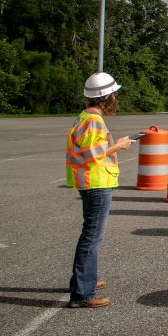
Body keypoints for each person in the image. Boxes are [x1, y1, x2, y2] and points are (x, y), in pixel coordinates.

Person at [65, 72, 134, 308]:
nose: (116, 98)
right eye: (114, 94)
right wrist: (119, 145)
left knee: (90, 235)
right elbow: (92, 154)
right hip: (96, 183)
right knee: (92, 238)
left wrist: (115, 143)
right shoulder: (94, 121)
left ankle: (85, 280)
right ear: (105, 98)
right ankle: (83, 293)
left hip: (92, 182)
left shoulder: (85, 117)